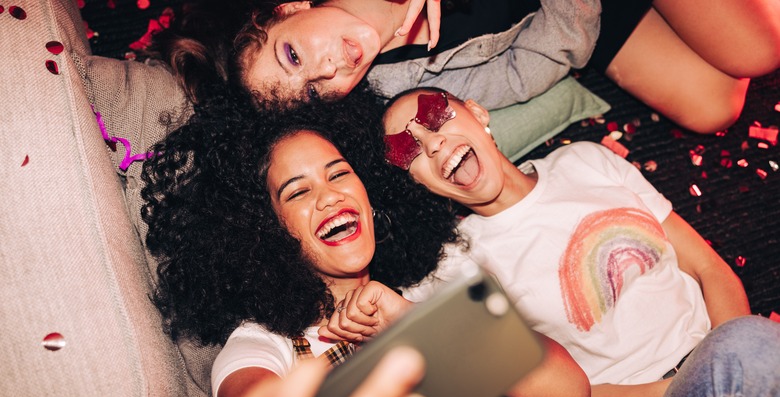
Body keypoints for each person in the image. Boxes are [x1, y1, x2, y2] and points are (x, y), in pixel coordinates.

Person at [323, 87, 780, 397]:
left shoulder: (586, 161)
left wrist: (734, 354)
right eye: (411, 152)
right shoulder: (449, 266)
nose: (435, 144)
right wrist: (700, 377)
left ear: (478, 114)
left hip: (739, 363)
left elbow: (707, 266)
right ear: (418, 184)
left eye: (437, 119)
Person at [140, 88, 590, 397]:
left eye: (338, 173)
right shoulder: (263, 344)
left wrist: (413, 321)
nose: (329, 194)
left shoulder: (422, 296)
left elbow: (570, 392)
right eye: (297, 191)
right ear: (267, 232)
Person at [149, 0, 780, 134]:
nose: (328, 66)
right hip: (578, 12)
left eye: (294, 52)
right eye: (319, 91)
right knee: (714, 105)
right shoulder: (391, 77)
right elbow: (518, 72)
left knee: (756, 51)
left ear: (288, 8)